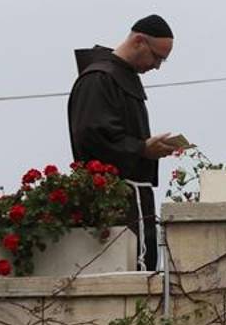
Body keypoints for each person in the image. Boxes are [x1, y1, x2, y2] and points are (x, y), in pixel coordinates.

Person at [67, 15, 181, 270]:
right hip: (114, 200)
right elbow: (93, 139)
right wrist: (142, 148)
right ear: (139, 41)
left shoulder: (121, 76)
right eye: (156, 57)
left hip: (134, 196)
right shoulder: (98, 79)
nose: (157, 66)